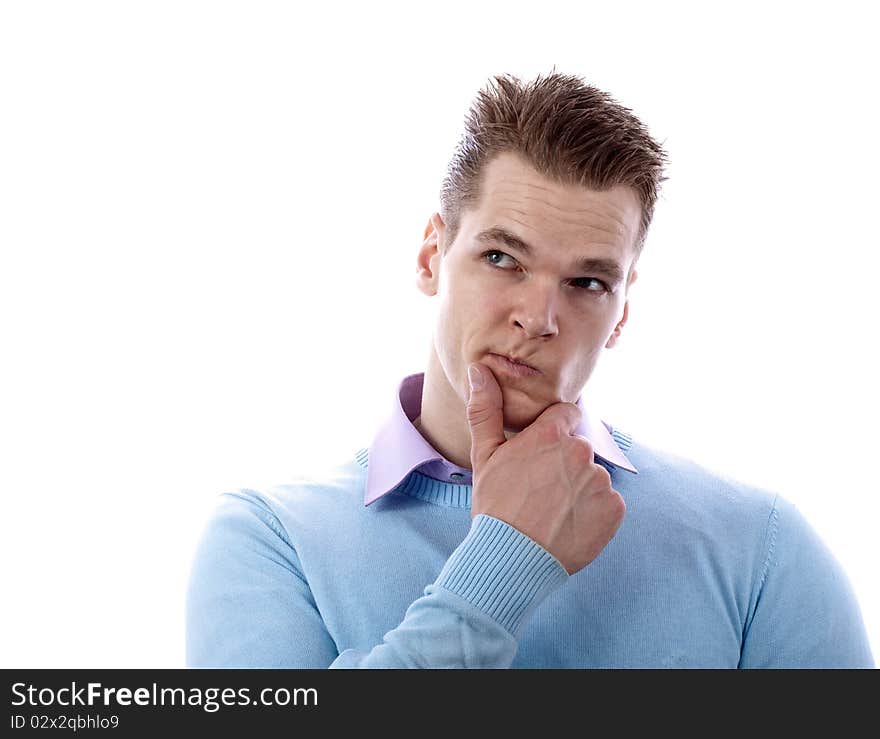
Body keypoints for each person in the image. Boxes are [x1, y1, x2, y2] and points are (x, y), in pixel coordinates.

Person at [185, 71, 874, 668]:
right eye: (502, 258)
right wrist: (505, 558)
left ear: (623, 311)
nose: (538, 317)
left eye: (587, 283)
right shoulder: (269, 539)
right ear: (432, 256)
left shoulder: (760, 548)